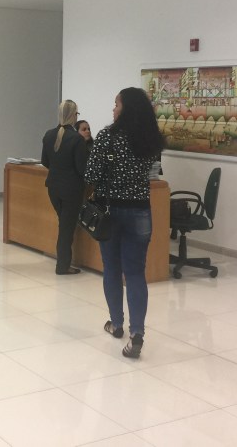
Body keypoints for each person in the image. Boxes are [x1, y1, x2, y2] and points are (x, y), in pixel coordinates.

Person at [85, 87, 163, 359]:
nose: (113, 109)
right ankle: (137, 332)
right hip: (140, 212)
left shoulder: (107, 136)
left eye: (116, 104)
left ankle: (116, 323)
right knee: (136, 272)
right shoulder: (150, 139)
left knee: (112, 268)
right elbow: (152, 172)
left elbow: (91, 175)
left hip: (110, 211)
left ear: (126, 108)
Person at [42, 100, 89, 275]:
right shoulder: (76, 139)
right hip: (71, 190)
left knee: (64, 224)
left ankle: (63, 263)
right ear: (73, 115)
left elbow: (45, 161)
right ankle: (62, 266)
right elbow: (82, 168)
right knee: (66, 228)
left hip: (53, 188)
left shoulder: (48, 135)